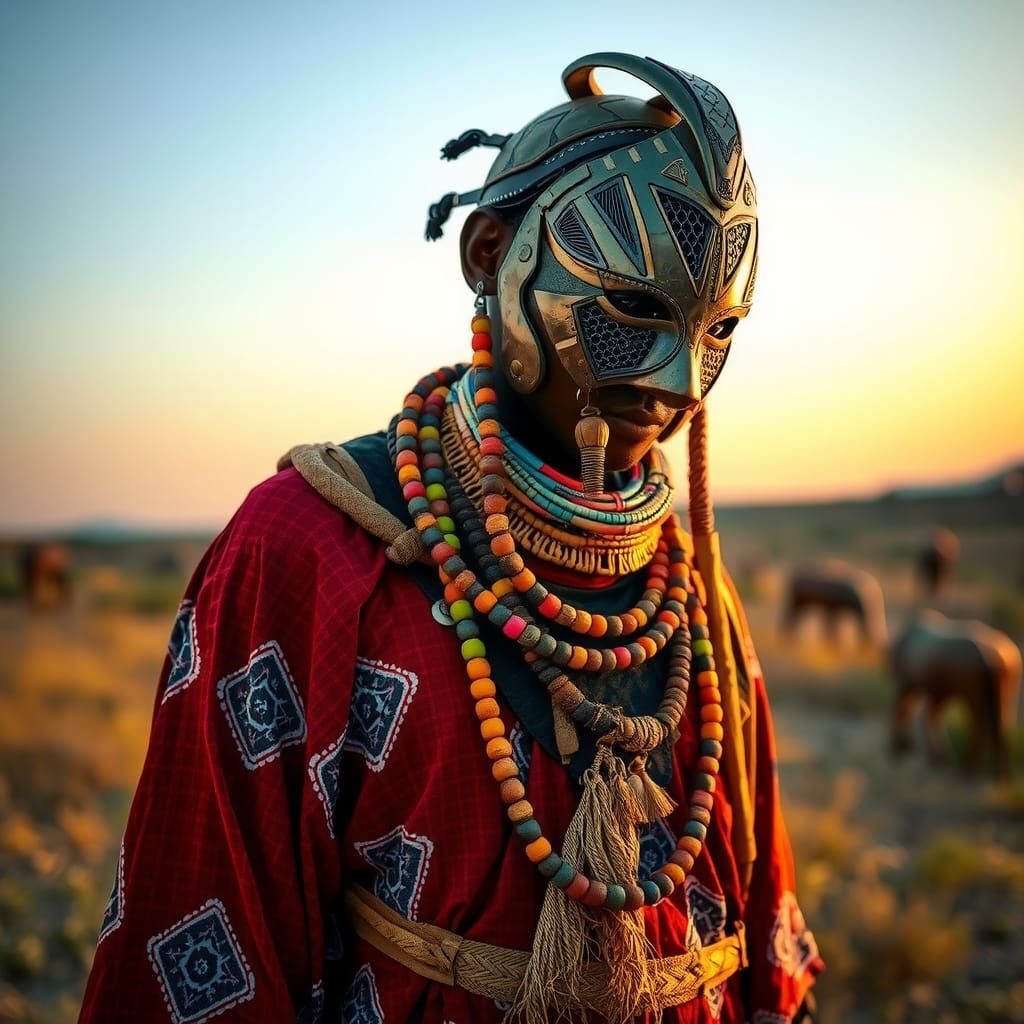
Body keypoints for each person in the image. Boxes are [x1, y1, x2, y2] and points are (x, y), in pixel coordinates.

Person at [79, 52, 822, 1024]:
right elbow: (201, 921)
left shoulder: (688, 584)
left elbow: (761, 911)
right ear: (487, 254)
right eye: (634, 310)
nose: (679, 382)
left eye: (717, 330)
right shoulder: (309, 548)